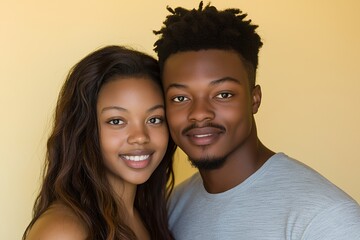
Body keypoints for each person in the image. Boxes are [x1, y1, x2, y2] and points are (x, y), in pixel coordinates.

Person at [153, 2, 360, 239]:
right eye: (180, 97)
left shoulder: (325, 219)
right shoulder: (171, 209)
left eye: (223, 94)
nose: (200, 113)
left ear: (254, 99)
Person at [23, 45, 176, 240]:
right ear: (84, 129)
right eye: (116, 121)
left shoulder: (146, 215)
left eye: (154, 119)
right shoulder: (62, 231)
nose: (140, 136)